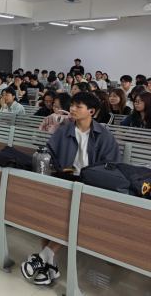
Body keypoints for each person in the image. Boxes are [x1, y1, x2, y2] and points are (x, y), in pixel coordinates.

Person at [21, 92, 120, 286]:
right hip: (64, 181)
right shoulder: (63, 132)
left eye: (78, 106)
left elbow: (110, 167)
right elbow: (49, 155)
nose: (72, 109)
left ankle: (43, 258)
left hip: (90, 186)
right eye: (72, 105)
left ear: (91, 111)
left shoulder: (104, 136)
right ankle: (48, 265)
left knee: (70, 214)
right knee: (47, 211)